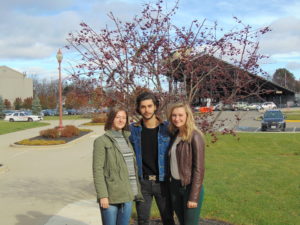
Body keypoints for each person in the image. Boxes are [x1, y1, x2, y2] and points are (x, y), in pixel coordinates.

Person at [129, 92, 175, 225]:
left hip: (163, 182)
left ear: (155, 107)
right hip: (143, 183)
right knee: (143, 220)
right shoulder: (133, 130)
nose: (146, 110)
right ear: (138, 108)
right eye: (143, 107)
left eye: (150, 106)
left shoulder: (168, 128)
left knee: (168, 219)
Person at [93, 106, 143, 225]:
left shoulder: (127, 139)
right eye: (117, 117)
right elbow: (97, 170)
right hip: (111, 197)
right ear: (111, 119)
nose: (121, 120)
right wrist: (103, 195)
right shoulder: (101, 141)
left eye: (124, 118)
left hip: (128, 195)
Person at [167, 102, 205, 225]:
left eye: (180, 115)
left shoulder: (195, 137)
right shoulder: (175, 135)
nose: (177, 118)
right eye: (174, 115)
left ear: (187, 116)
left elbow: (199, 169)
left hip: (190, 188)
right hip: (176, 187)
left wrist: (194, 197)